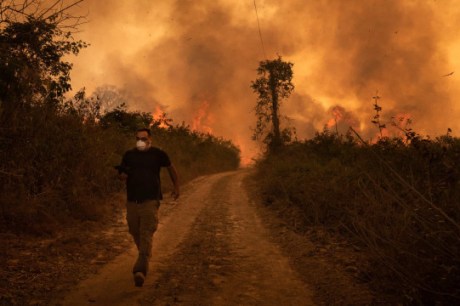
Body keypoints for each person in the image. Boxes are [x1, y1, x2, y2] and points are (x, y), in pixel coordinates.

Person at [116, 128, 180, 287]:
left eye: (144, 138)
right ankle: (144, 255)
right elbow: (122, 176)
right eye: (138, 138)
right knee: (134, 230)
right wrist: (123, 175)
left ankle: (140, 270)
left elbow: (171, 168)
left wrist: (176, 186)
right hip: (132, 201)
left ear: (150, 139)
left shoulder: (158, 154)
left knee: (147, 231)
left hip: (150, 200)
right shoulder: (129, 155)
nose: (141, 141)